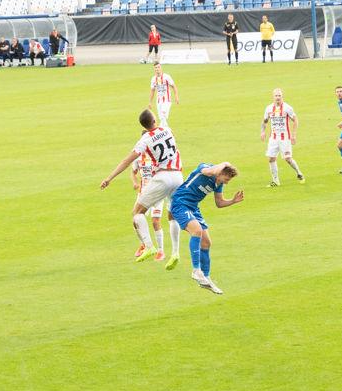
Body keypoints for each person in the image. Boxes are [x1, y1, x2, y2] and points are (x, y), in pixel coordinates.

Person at [100, 109, 183, 265]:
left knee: (137, 212)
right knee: (172, 215)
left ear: (143, 126)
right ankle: (175, 253)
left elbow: (126, 161)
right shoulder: (167, 129)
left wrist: (109, 178)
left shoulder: (145, 139)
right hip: (178, 176)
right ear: (154, 120)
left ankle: (149, 246)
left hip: (163, 177)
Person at [170, 162, 243, 294]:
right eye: (226, 179)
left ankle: (206, 277)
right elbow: (210, 172)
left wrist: (233, 201)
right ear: (221, 172)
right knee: (197, 231)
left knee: (206, 242)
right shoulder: (205, 168)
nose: (226, 183)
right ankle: (196, 271)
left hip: (193, 207)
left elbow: (219, 203)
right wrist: (225, 163)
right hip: (180, 203)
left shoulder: (218, 183)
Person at [261, 88, 304, 186]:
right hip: (273, 138)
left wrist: (294, 135)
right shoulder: (268, 108)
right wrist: (262, 131)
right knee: (271, 159)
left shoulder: (287, 108)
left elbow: (295, 120)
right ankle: (276, 181)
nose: (278, 97)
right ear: (273, 97)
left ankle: (299, 172)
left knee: (288, 159)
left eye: (279, 96)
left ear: (282, 96)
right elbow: (265, 121)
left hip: (285, 138)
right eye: (276, 96)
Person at [131, 150, 167, 261]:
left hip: (157, 193)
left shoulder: (158, 155)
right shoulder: (138, 157)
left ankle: (160, 251)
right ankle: (143, 244)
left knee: (155, 221)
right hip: (143, 194)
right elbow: (133, 172)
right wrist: (135, 182)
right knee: (135, 220)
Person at [148, 63, 178, 128]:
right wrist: (150, 102)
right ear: (154, 69)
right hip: (159, 101)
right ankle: (166, 129)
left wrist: (176, 97)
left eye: (158, 67)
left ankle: (161, 129)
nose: (157, 69)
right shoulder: (153, 79)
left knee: (163, 114)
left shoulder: (166, 77)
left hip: (167, 100)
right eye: (156, 67)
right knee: (162, 118)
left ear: (161, 68)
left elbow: (173, 86)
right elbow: (152, 91)